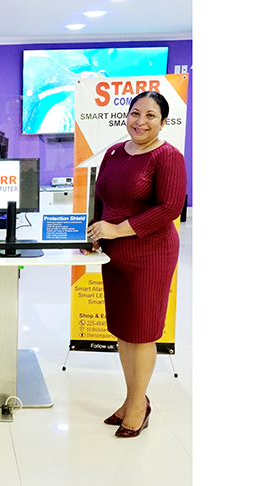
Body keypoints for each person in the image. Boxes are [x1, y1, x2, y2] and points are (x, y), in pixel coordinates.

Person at [82, 90, 186, 438]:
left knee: (142, 333)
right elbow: (101, 196)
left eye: (151, 116)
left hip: (150, 254)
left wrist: (117, 228)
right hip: (115, 254)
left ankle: (138, 406)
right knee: (124, 330)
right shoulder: (114, 151)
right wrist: (96, 232)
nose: (140, 121)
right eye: (135, 113)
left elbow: (169, 209)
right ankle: (132, 399)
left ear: (163, 122)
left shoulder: (168, 156)